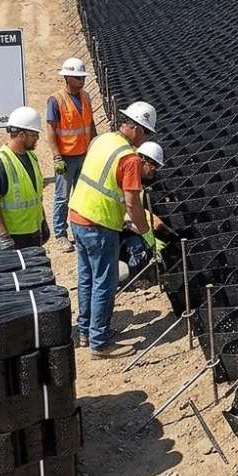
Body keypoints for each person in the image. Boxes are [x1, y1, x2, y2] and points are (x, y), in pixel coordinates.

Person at [68, 101, 156, 359]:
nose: (146, 138)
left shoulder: (103, 140)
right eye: (147, 132)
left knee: (86, 279)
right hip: (99, 224)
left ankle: (86, 332)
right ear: (137, 128)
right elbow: (132, 202)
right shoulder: (129, 158)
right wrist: (147, 235)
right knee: (104, 283)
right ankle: (100, 342)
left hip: (78, 215)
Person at [45, 58, 97, 253]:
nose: (81, 81)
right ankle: (60, 234)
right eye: (77, 77)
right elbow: (51, 130)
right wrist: (56, 156)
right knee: (62, 198)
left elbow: (90, 125)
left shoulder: (86, 97)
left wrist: (95, 145)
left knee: (83, 195)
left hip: (84, 154)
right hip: (66, 157)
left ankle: (80, 231)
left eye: (82, 77)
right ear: (67, 77)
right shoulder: (56, 100)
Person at [0, 106, 50, 251]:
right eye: (34, 135)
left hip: (30, 233)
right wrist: (4, 236)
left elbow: (35, 195)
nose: (37, 138)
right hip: (10, 238)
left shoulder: (31, 157)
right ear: (21, 135)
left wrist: (42, 221)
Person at [121, 141, 168, 272]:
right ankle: (135, 274)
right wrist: (150, 238)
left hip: (125, 223)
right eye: (154, 165)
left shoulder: (139, 182)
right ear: (143, 160)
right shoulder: (129, 178)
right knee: (136, 243)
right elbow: (126, 218)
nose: (155, 170)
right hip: (113, 229)